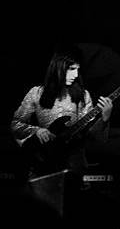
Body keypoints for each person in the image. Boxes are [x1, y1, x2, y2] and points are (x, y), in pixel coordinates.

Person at [10, 45, 113, 176]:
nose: (75, 75)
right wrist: (37, 131)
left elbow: (92, 136)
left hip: (74, 165)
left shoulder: (83, 95)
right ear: (58, 67)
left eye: (77, 70)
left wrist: (104, 119)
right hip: (43, 163)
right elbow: (16, 124)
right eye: (71, 69)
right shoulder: (36, 93)